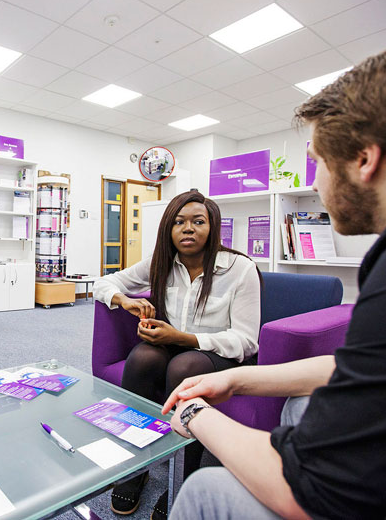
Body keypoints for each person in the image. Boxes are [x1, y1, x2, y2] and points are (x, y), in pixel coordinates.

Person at [163, 42, 386, 520]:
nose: (314, 183)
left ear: (365, 159)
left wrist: (195, 416)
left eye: (317, 161)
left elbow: (311, 490)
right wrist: (239, 379)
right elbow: (365, 371)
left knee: (207, 489)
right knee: (298, 408)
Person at [94, 190, 261, 518]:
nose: (188, 229)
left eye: (198, 222)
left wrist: (184, 338)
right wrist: (124, 300)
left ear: (212, 228)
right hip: (173, 345)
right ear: (168, 229)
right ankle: (134, 467)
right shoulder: (161, 263)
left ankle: (185, 475)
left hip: (217, 354)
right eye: (179, 222)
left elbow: (246, 340)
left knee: (185, 365)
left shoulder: (240, 268)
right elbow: (104, 282)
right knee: (143, 357)